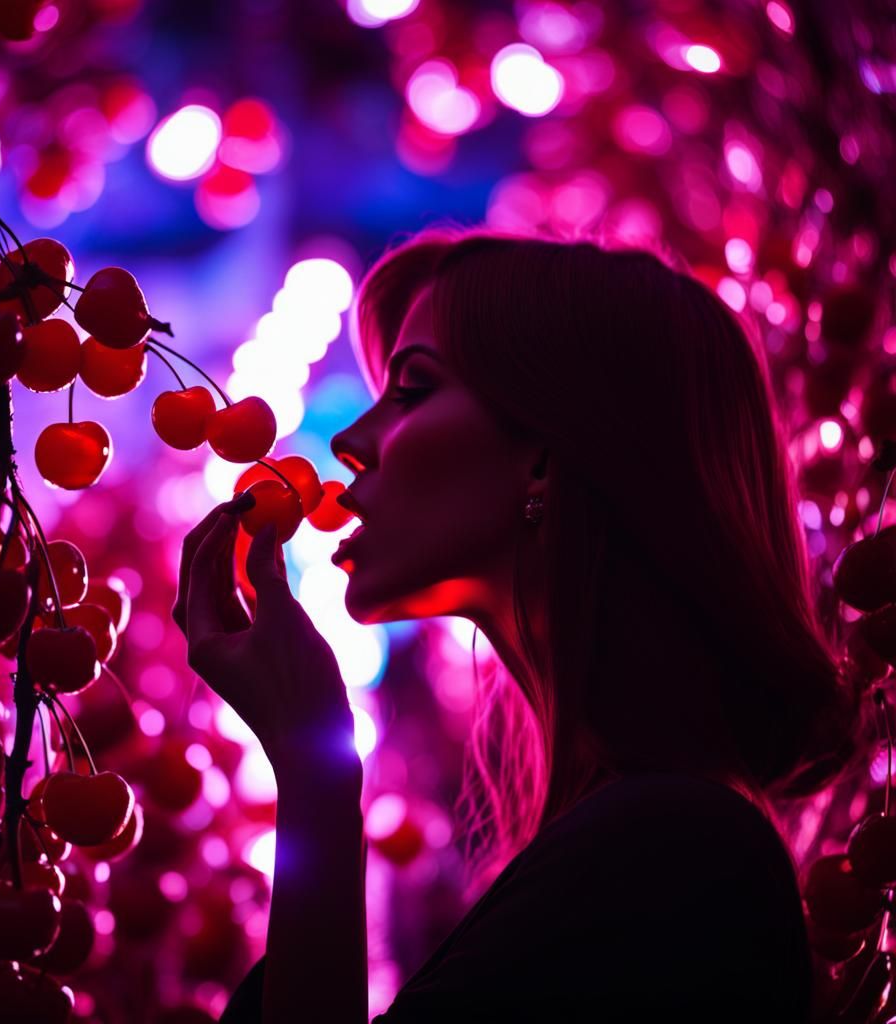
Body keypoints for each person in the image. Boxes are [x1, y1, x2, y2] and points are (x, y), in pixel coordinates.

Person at [174, 227, 872, 1023]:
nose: (349, 443)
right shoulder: (646, 841)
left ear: (546, 453)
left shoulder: (675, 855)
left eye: (412, 389)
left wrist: (315, 768)